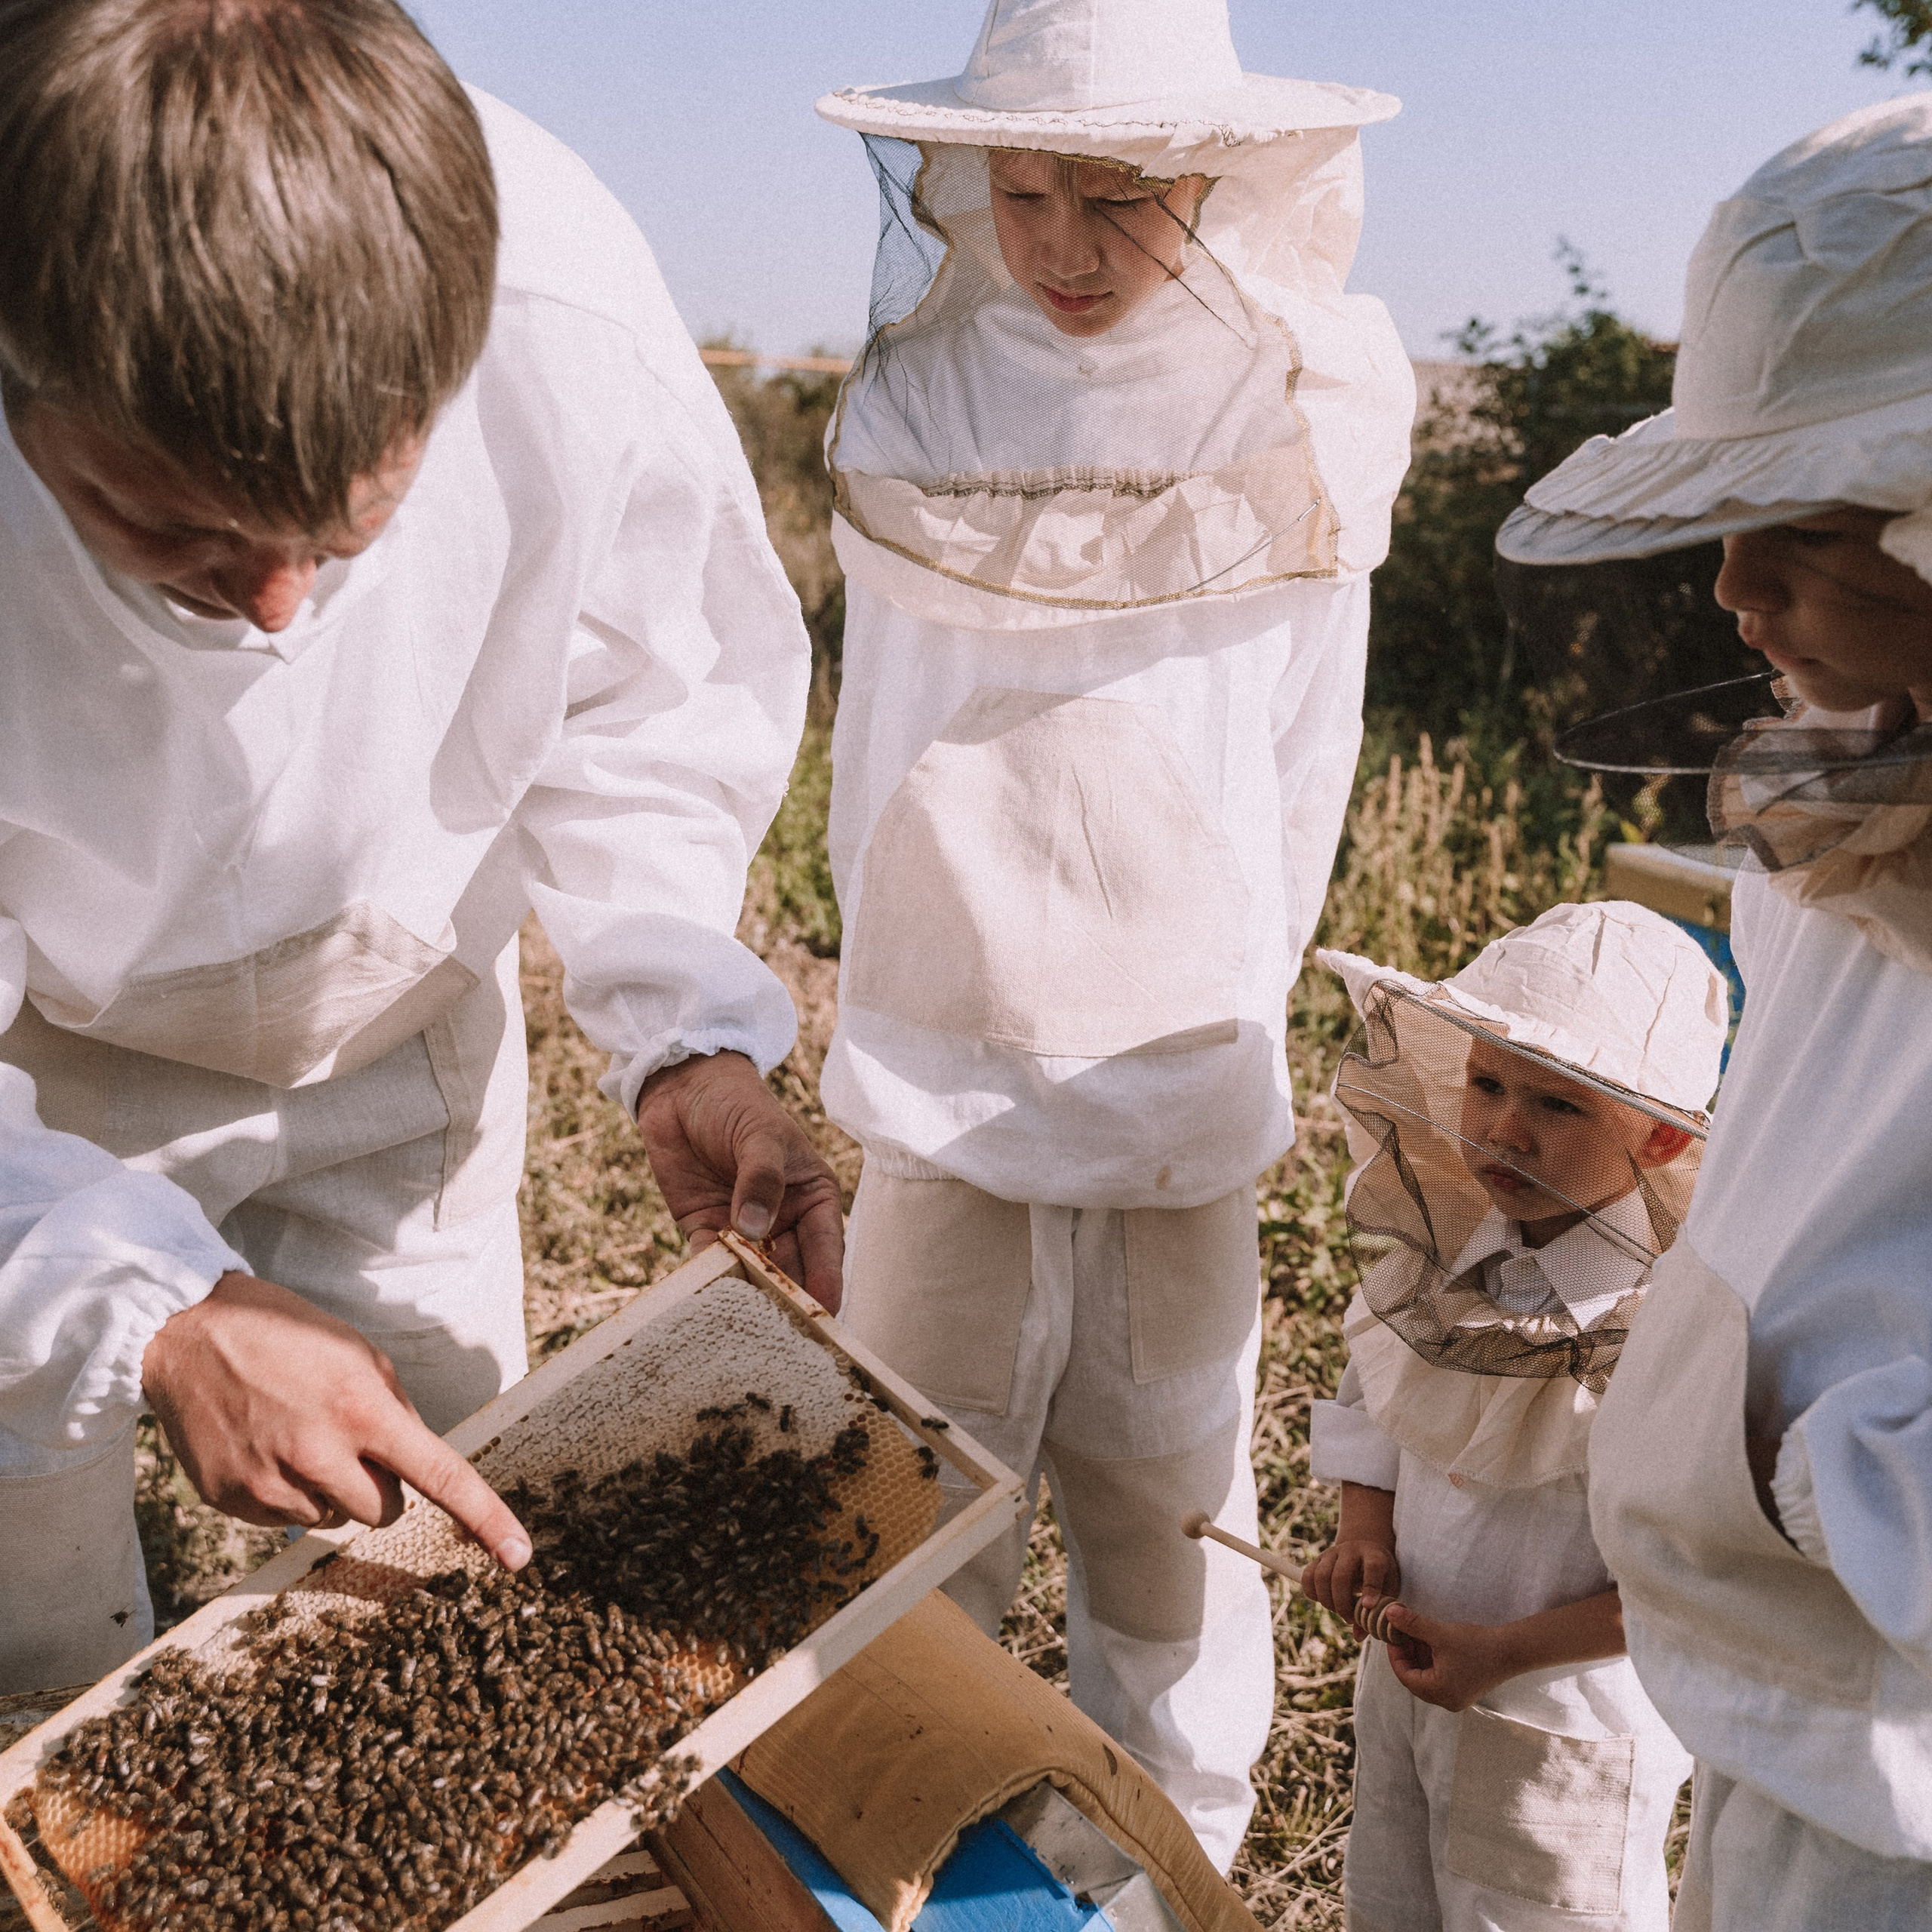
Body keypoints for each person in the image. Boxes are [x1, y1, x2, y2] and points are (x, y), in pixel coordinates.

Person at [0, 0, 841, 1697]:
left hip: (399, 1027)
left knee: (439, 1563)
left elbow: (647, 692)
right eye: (168, 526)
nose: (274, 605)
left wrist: (680, 1025)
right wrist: (137, 1308)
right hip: (39, 1061)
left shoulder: (562, 310)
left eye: (343, 527)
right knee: (29, 1589)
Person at [811, 0, 1415, 1869]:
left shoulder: (1305, 389)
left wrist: (1223, 984)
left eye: (1116, 196)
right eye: (1023, 191)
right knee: (916, 1525)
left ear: (1216, 181)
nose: (1060, 245)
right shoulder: (921, 387)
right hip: (937, 1058)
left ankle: (1166, 1875)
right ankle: (900, 1860)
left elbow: (1301, 747)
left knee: (1172, 1515)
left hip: (1175, 1067)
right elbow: (886, 731)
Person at [1494, 94, 1932, 1932]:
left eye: (1805, 527)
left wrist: (1813, 1468)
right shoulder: (1843, 784)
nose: (1733, 591)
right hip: (1775, 1712)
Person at [1303, 905, 1724, 1930]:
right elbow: (1380, 1389)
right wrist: (1364, 1527)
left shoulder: (1673, 1327)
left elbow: (1685, 1583)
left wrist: (1509, 1654)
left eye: (1558, 1106)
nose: (1502, 1130)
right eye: (1487, 1084)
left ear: (1660, 1135)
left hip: (1562, 1730)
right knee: (1392, 1902)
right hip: (1406, 1681)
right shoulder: (1448, 1248)